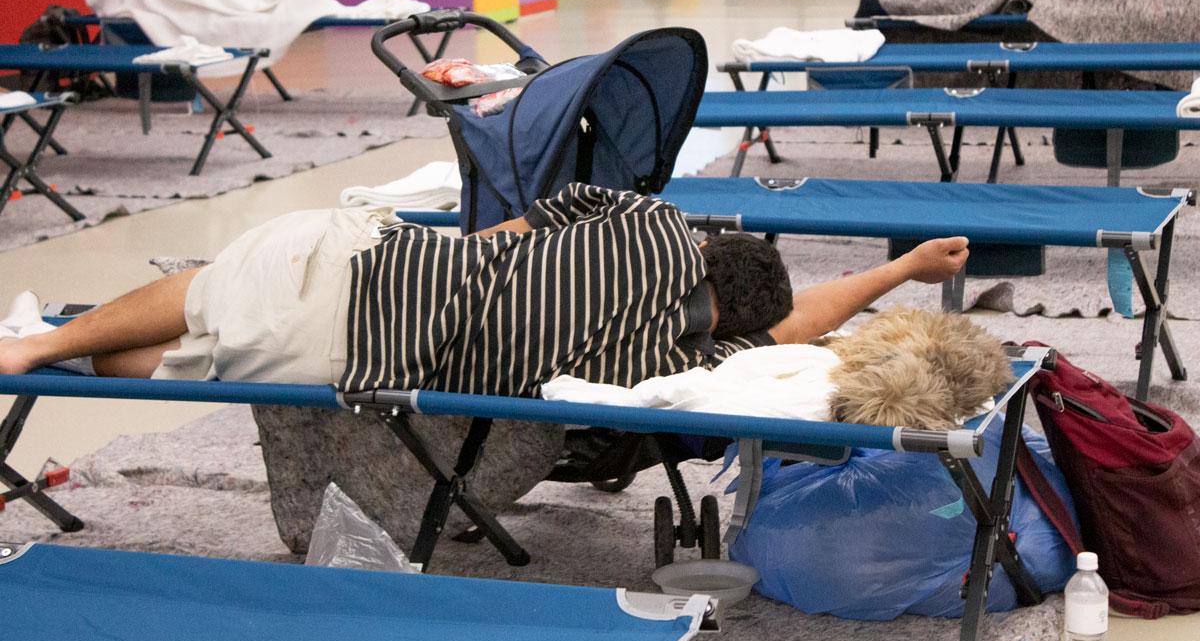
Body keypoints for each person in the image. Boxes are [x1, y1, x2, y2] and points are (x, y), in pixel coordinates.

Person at [0, 183, 969, 393]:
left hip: (363, 268)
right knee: (205, 340)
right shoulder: (673, 361)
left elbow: (507, 226)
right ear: (741, 322)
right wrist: (899, 272)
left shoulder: (650, 219)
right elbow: (804, 326)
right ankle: (50, 346)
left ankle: (40, 340)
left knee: (227, 278)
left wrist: (480, 267)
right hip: (340, 358)